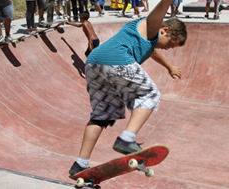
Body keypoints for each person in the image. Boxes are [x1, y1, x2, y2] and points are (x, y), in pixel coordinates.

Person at [68, 0, 187, 175]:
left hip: (94, 63)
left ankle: (80, 164)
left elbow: (153, 51)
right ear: (165, 29)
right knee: (150, 94)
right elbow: (162, 6)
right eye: (170, 44)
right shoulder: (152, 25)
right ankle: (126, 139)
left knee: (102, 115)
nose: (168, 48)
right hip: (117, 60)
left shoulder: (149, 38)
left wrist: (169, 67)